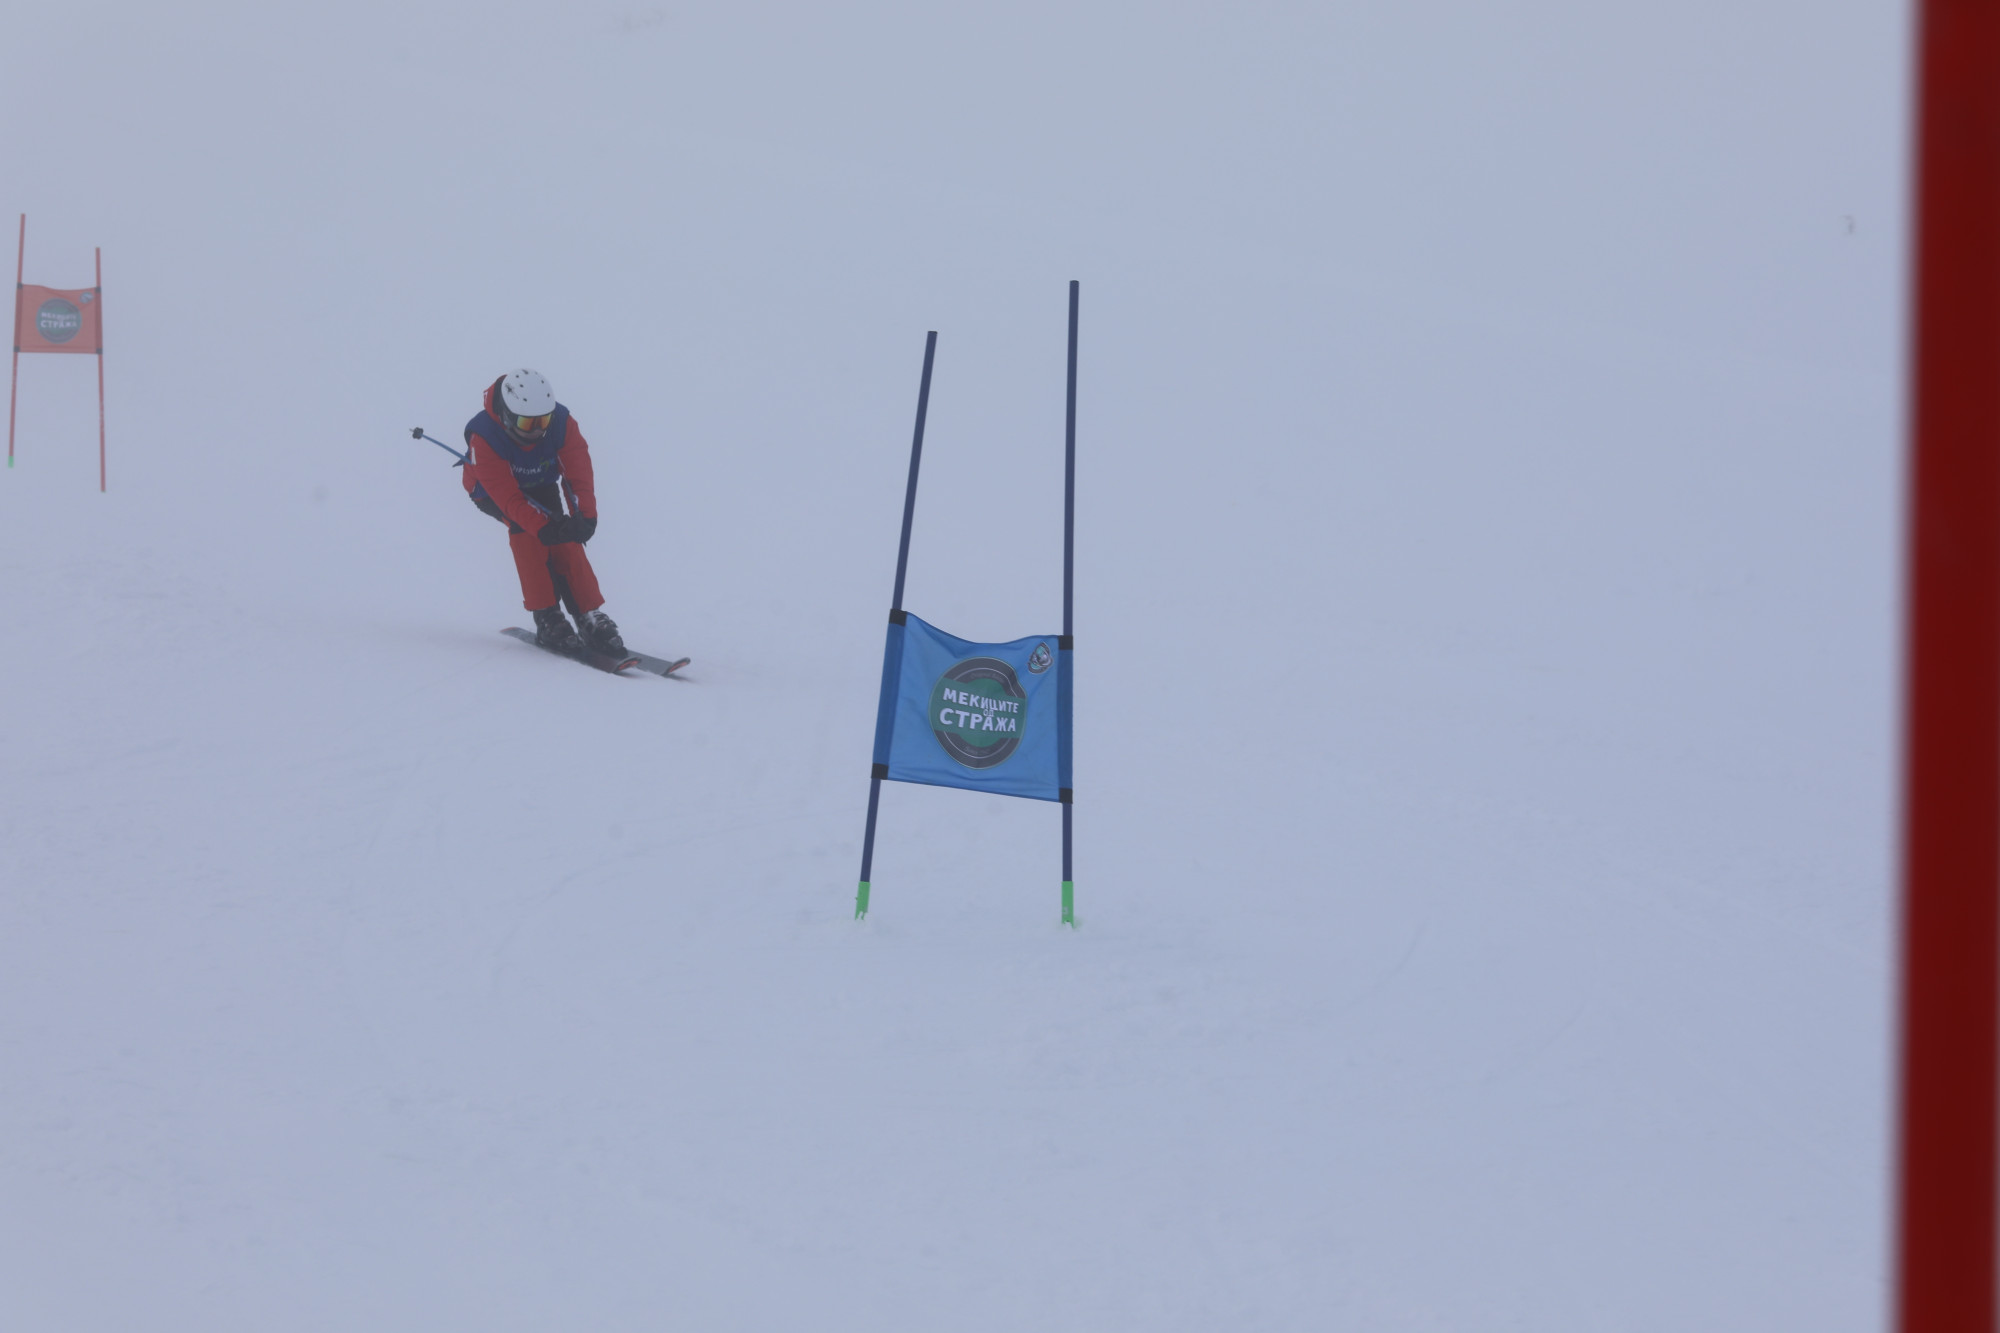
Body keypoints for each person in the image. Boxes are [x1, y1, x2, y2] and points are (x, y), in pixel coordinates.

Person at [462, 369, 624, 654]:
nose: (538, 430)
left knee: (567, 537)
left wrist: (584, 515)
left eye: (543, 421)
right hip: (493, 492)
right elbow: (508, 498)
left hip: (540, 483)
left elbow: (577, 470)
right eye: (528, 423)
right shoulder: (484, 436)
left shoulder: (561, 422)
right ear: (508, 417)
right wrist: (542, 526)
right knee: (527, 534)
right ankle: (547, 616)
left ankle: (588, 614)